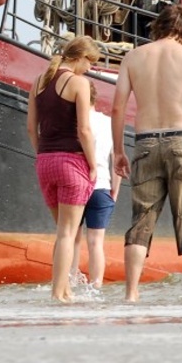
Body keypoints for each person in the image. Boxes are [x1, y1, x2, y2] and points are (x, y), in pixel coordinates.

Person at [111, 4, 182, 300]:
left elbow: (117, 107)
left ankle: (131, 294)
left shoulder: (133, 58)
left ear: (158, 28)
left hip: (146, 143)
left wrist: (119, 151)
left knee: (141, 221)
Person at [26, 35, 101, 302]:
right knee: (69, 233)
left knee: (64, 233)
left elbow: (30, 128)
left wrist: (43, 155)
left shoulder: (38, 82)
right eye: (90, 62)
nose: (90, 69)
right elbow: (84, 130)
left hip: (45, 161)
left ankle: (65, 288)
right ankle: (59, 293)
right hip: (72, 162)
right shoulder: (79, 83)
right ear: (79, 58)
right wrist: (93, 164)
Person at [71, 83, 120, 288]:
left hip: (76, 184)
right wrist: (114, 192)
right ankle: (96, 285)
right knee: (96, 242)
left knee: (72, 237)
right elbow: (116, 159)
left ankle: (70, 279)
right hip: (101, 187)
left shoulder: (74, 123)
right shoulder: (108, 123)